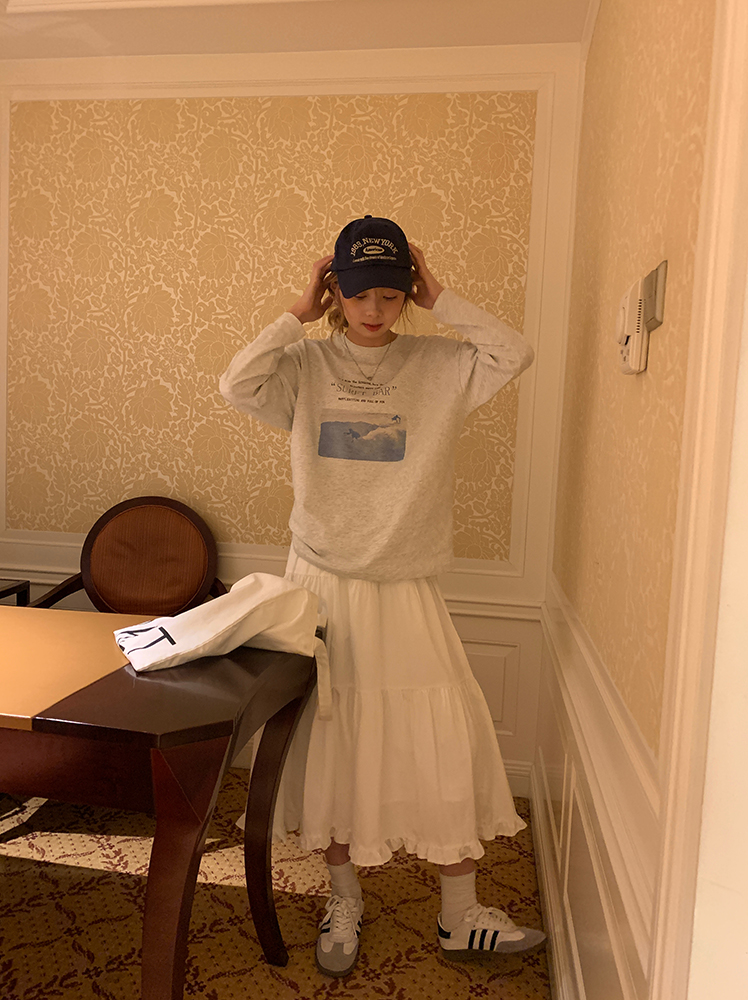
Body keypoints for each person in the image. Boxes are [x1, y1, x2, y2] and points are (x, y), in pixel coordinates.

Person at [220, 215, 544, 977]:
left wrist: (441, 296)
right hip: (323, 580)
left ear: (408, 293)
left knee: (442, 739)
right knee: (335, 742)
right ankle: (345, 898)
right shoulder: (303, 365)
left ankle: (460, 914)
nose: (375, 309)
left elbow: (514, 352)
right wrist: (295, 313)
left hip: (405, 582)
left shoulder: (441, 363)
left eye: (392, 294)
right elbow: (236, 385)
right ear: (336, 290)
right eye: (360, 293)